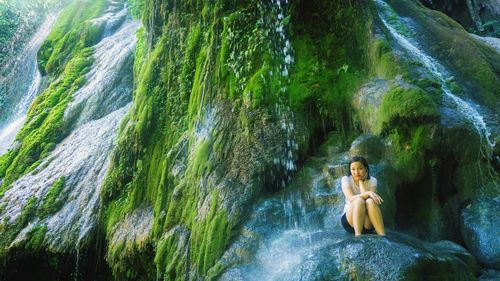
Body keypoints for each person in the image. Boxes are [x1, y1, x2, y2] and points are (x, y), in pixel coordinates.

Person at [340, 156, 385, 236]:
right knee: (358, 200)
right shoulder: (346, 179)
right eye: (353, 169)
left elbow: (369, 201)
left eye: (360, 168)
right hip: (350, 221)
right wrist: (368, 193)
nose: (356, 172)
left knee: (370, 201)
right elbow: (350, 199)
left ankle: (382, 234)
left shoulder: (373, 180)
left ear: (366, 169)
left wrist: (361, 182)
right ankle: (358, 235)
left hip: (367, 222)